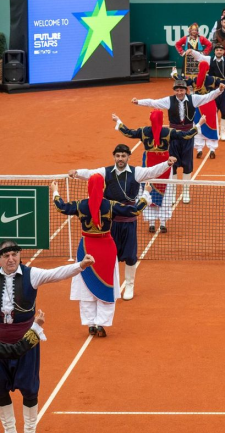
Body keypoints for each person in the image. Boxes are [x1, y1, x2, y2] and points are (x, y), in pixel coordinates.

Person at [1, 241, 90, 433]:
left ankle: (30, 432)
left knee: (29, 388)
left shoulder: (32, 275)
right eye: (6, 256)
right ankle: (9, 431)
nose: (11, 259)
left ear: (20, 256)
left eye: (14, 254)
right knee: (0, 388)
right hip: (1, 344)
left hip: (27, 340)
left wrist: (81, 265)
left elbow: (57, 273)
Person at [69, 144, 179, 300]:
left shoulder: (136, 172)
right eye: (118, 156)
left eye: (123, 156)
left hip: (129, 221)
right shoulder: (105, 172)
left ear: (128, 157)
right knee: (109, 254)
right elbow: (90, 173)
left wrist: (167, 164)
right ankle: (109, 284)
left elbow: (151, 171)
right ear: (114, 157)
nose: (120, 159)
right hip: (110, 222)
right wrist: (77, 172)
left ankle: (129, 285)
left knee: (130, 255)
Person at [52, 177, 150, 338]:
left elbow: (61, 207)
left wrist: (55, 191)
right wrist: (146, 194)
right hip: (106, 249)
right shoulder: (111, 205)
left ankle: (90, 323)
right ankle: (100, 323)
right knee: (107, 284)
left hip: (86, 250)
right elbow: (135, 210)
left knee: (85, 285)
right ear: (103, 187)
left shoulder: (80, 205)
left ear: (89, 187)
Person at [132, 76, 224, 203]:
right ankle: (173, 193)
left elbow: (207, 97)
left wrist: (219, 90)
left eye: (181, 90)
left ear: (186, 90)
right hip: (173, 136)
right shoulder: (169, 101)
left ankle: (185, 192)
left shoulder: (194, 99)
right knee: (173, 165)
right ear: (174, 91)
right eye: (177, 90)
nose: (179, 92)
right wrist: (139, 102)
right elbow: (153, 102)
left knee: (187, 165)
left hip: (188, 136)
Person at [112, 110, 202, 232]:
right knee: (166, 194)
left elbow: (129, 133)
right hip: (164, 167)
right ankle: (163, 223)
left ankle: (151, 223)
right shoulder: (167, 132)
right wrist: (199, 124)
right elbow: (186, 135)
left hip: (148, 167)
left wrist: (118, 121)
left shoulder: (144, 131)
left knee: (148, 192)